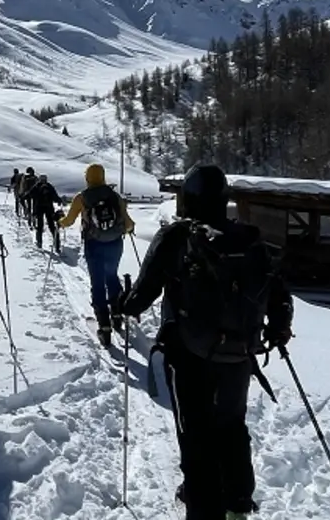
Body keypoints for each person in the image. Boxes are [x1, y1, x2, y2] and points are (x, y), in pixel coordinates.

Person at [119, 164, 294, 520]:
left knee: (195, 435)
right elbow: (278, 295)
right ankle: (238, 504)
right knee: (232, 426)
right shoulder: (248, 240)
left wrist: (125, 304)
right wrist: (278, 331)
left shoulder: (176, 237)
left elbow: (142, 295)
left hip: (188, 355)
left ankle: (203, 510)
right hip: (238, 356)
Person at [58, 163, 134, 345]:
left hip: (94, 245)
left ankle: (104, 327)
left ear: (87, 178)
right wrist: (127, 229)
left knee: (97, 282)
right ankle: (116, 315)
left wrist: (59, 222)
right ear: (103, 176)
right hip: (115, 244)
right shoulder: (114, 196)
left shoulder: (81, 198)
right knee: (111, 276)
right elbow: (128, 223)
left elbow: (68, 221)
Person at [23, 174, 62, 249]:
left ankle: (39, 242)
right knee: (52, 226)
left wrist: (23, 197)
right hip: (49, 208)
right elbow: (55, 197)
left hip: (39, 208)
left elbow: (30, 194)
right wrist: (59, 200)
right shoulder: (49, 186)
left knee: (40, 225)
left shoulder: (37, 186)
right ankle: (57, 244)